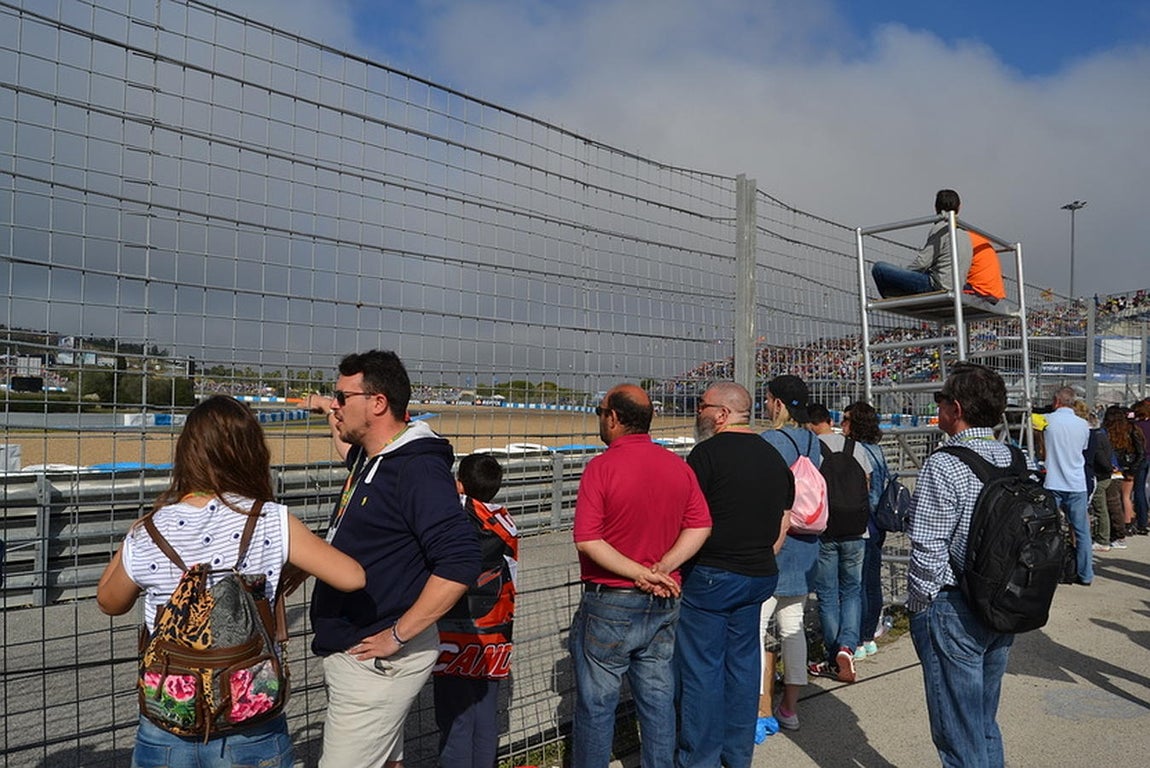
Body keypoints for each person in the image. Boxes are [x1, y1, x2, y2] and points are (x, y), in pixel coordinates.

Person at [96, 395, 366, 768]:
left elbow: (110, 602)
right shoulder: (272, 520)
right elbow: (352, 576)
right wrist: (297, 563)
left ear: (186, 453)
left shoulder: (151, 529)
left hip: (169, 715)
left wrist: (135, 534)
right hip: (249, 714)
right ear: (252, 453)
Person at [304, 350, 481, 768]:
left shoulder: (414, 468)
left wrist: (398, 635)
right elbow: (345, 441)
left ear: (378, 402)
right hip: (364, 652)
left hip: (376, 656)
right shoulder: (374, 457)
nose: (335, 405)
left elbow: (460, 561)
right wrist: (325, 408)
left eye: (342, 397)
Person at [569, 384, 712, 768]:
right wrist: (662, 568)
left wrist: (641, 573)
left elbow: (587, 540)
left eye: (600, 411)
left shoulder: (601, 467)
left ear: (613, 418)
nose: (600, 418)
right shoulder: (677, 466)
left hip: (611, 600)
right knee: (657, 698)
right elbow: (700, 525)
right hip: (664, 599)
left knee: (597, 703)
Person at [677, 382, 792, 768]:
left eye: (703, 406)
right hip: (758, 574)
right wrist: (763, 553)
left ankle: (700, 759)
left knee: (702, 671)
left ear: (722, 414)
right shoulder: (773, 457)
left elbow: (688, 519)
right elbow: (783, 519)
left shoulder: (705, 455)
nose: (698, 413)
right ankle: (737, 755)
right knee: (743, 667)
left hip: (712, 575)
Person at [907, 362, 1016, 767]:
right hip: (1003, 603)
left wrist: (922, 603)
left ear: (955, 408)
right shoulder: (1014, 457)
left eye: (939, 401)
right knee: (984, 719)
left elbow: (929, 545)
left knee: (957, 729)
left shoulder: (945, 462)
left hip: (953, 605)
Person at [434, 453, 518, 768]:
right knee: (485, 718)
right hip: (497, 633)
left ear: (458, 484)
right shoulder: (505, 521)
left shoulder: (456, 518)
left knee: (456, 721)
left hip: (455, 632)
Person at [758, 374, 822, 734]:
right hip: (806, 547)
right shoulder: (813, 441)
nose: (765, 405)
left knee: (754, 630)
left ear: (779, 404)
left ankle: (757, 706)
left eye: (768, 399)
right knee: (793, 628)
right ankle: (790, 708)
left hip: (773, 547)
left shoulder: (770, 440)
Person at [806, 403, 871, 682]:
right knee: (852, 591)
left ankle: (835, 655)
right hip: (857, 530)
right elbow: (866, 485)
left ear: (810, 424)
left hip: (827, 531)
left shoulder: (812, 451)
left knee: (828, 594)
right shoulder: (855, 447)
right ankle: (848, 646)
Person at [871, 189, 1003, 301]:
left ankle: (893, 296)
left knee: (879, 268)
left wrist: (905, 273)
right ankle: (896, 293)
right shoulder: (964, 233)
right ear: (959, 207)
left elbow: (922, 262)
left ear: (935, 207)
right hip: (959, 285)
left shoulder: (941, 227)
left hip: (938, 286)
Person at [843, 400, 890, 660]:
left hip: (865, 522)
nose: (842, 424)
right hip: (879, 523)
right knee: (872, 582)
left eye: (846, 419)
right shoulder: (877, 449)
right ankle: (870, 635)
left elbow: (870, 493)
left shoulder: (858, 450)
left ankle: (859, 637)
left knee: (857, 584)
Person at [1043, 387, 1093, 586]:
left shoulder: (1046, 420)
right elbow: (1083, 448)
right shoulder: (1083, 425)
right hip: (1076, 482)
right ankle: (1086, 573)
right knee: (1082, 531)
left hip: (1052, 480)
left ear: (1056, 401)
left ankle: (1046, 572)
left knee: (1047, 529)